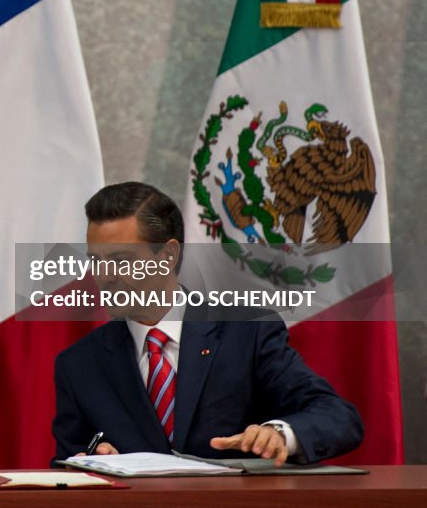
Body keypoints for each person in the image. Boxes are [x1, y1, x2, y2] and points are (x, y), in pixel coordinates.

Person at [52, 182, 362, 467]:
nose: (105, 276)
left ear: (169, 254)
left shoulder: (248, 333)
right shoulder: (79, 364)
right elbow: (66, 464)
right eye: (96, 261)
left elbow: (337, 416)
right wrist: (89, 461)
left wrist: (280, 435)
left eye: (121, 260)